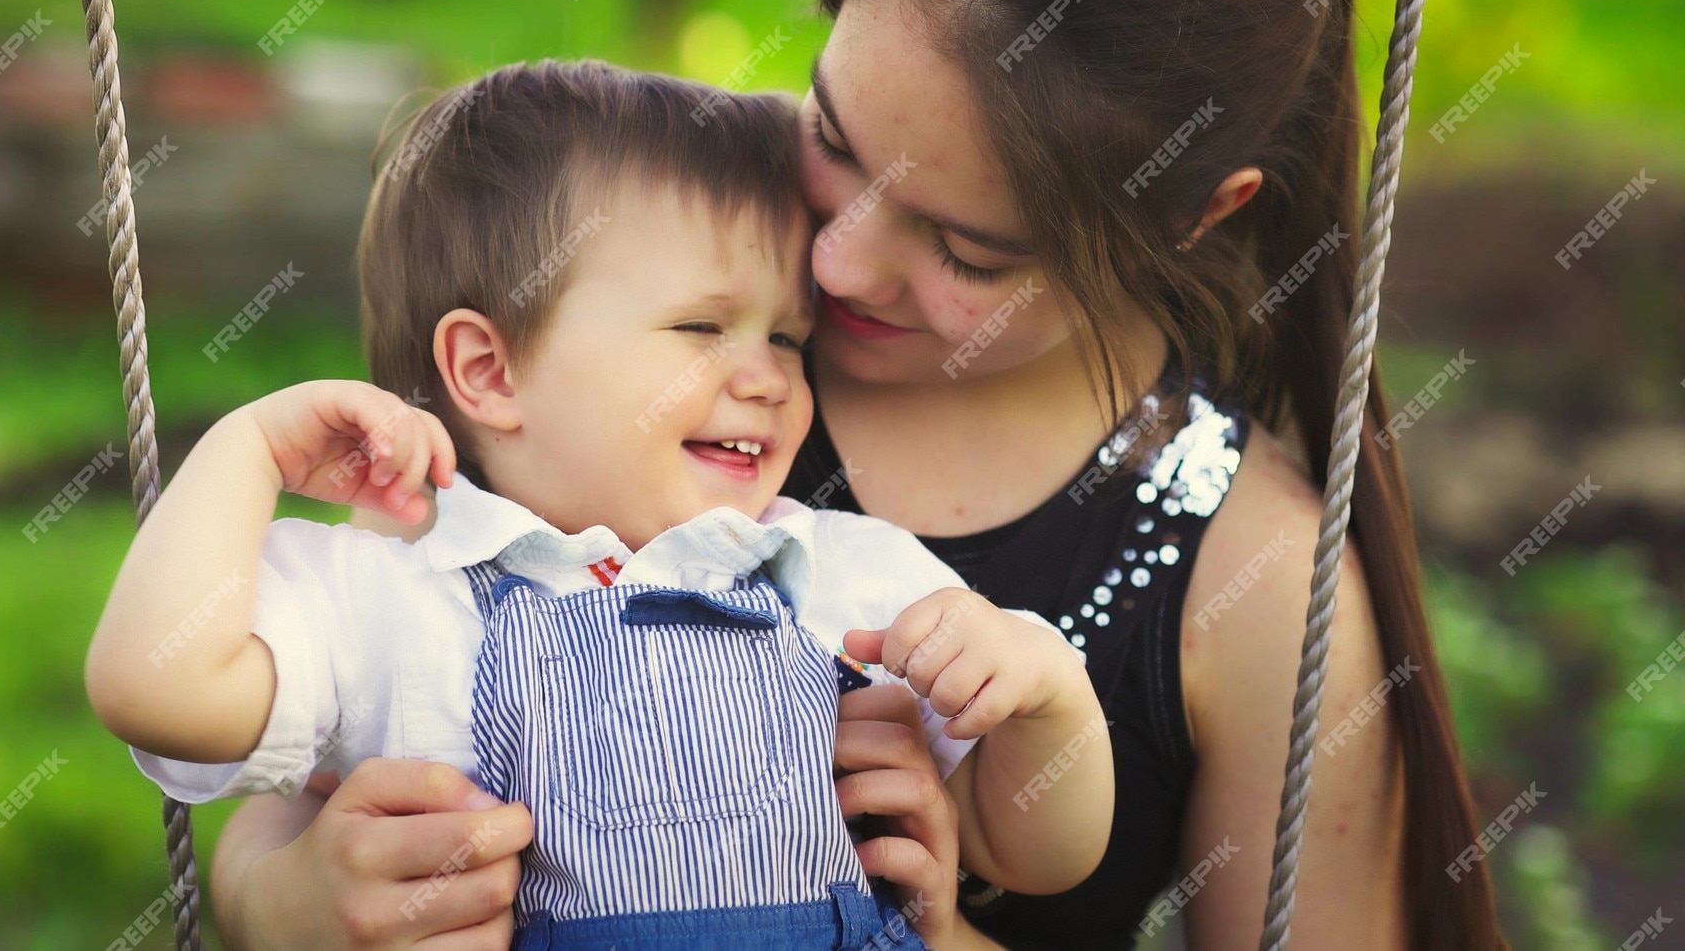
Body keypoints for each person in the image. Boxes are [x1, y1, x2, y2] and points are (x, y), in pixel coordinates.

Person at [207, 0, 1508, 946]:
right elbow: (381, 646)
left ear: (1189, 215)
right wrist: (280, 893)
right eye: (832, 132)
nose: (832, 261)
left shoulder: (1259, 573)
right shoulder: (676, 268)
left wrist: (915, 926)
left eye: (968, 247)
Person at [85, 59, 1116, 950]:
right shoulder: (396, 598)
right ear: (488, 373)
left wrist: (1047, 698)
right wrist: (244, 450)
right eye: (702, 327)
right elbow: (159, 691)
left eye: (786, 338)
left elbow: (1029, 853)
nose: (766, 378)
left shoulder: (844, 573)